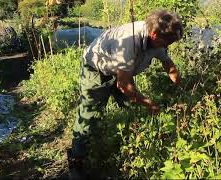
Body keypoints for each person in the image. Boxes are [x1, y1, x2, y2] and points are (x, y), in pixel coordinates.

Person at [67, 9, 184, 178]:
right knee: (89, 117)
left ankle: (131, 145)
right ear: (153, 34)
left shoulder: (160, 39)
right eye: (166, 42)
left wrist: (180, 87)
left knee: (132, 108)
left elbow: (169, 65)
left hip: (122, 72)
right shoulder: (129, 41)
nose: (167, 46)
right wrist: (148, 102)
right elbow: (124, 85)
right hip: (97, 70)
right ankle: (76, 161)